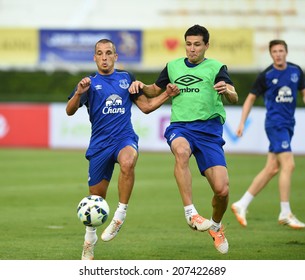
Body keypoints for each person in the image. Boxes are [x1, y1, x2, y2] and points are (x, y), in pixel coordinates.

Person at [66, 38, 179, 260]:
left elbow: (146, 106)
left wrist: (167, 94)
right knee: (96, 199)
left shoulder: (126, 78)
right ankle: (89, 239)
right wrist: (79, 92)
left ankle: (120, 215)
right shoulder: (89, 83)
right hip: (99, 145)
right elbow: (70, 111)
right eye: (100, 53)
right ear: (95, 57)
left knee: (128, 161)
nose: (104, 57)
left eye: (109, 53)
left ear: (116, 57)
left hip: (124, 137)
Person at [129, 25, 238, 254]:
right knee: (180, 151)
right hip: (181, 127)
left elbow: (234, 95)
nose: (192, 49)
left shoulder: (217, 68)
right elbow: (152, 91)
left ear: (206, 45)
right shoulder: (173, 67)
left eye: (197, 44)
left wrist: (227, 90)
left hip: (209, 132)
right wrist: (140, 86)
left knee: (222, 190)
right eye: (188, 44)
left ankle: (216, 227)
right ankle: (191, 213)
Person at [231, 39, 305, 229]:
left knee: (272, 168)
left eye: (281, 50)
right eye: (275, 51)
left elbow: (303, 93)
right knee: (288, 164)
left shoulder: (296, 71)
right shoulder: (266, 75)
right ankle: (285, 212)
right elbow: (250, 98)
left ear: (286, 52)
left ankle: (242, 204)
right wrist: (241, 122)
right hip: (275, 124)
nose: (278, 54)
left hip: (289, 125)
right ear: (271, 54)